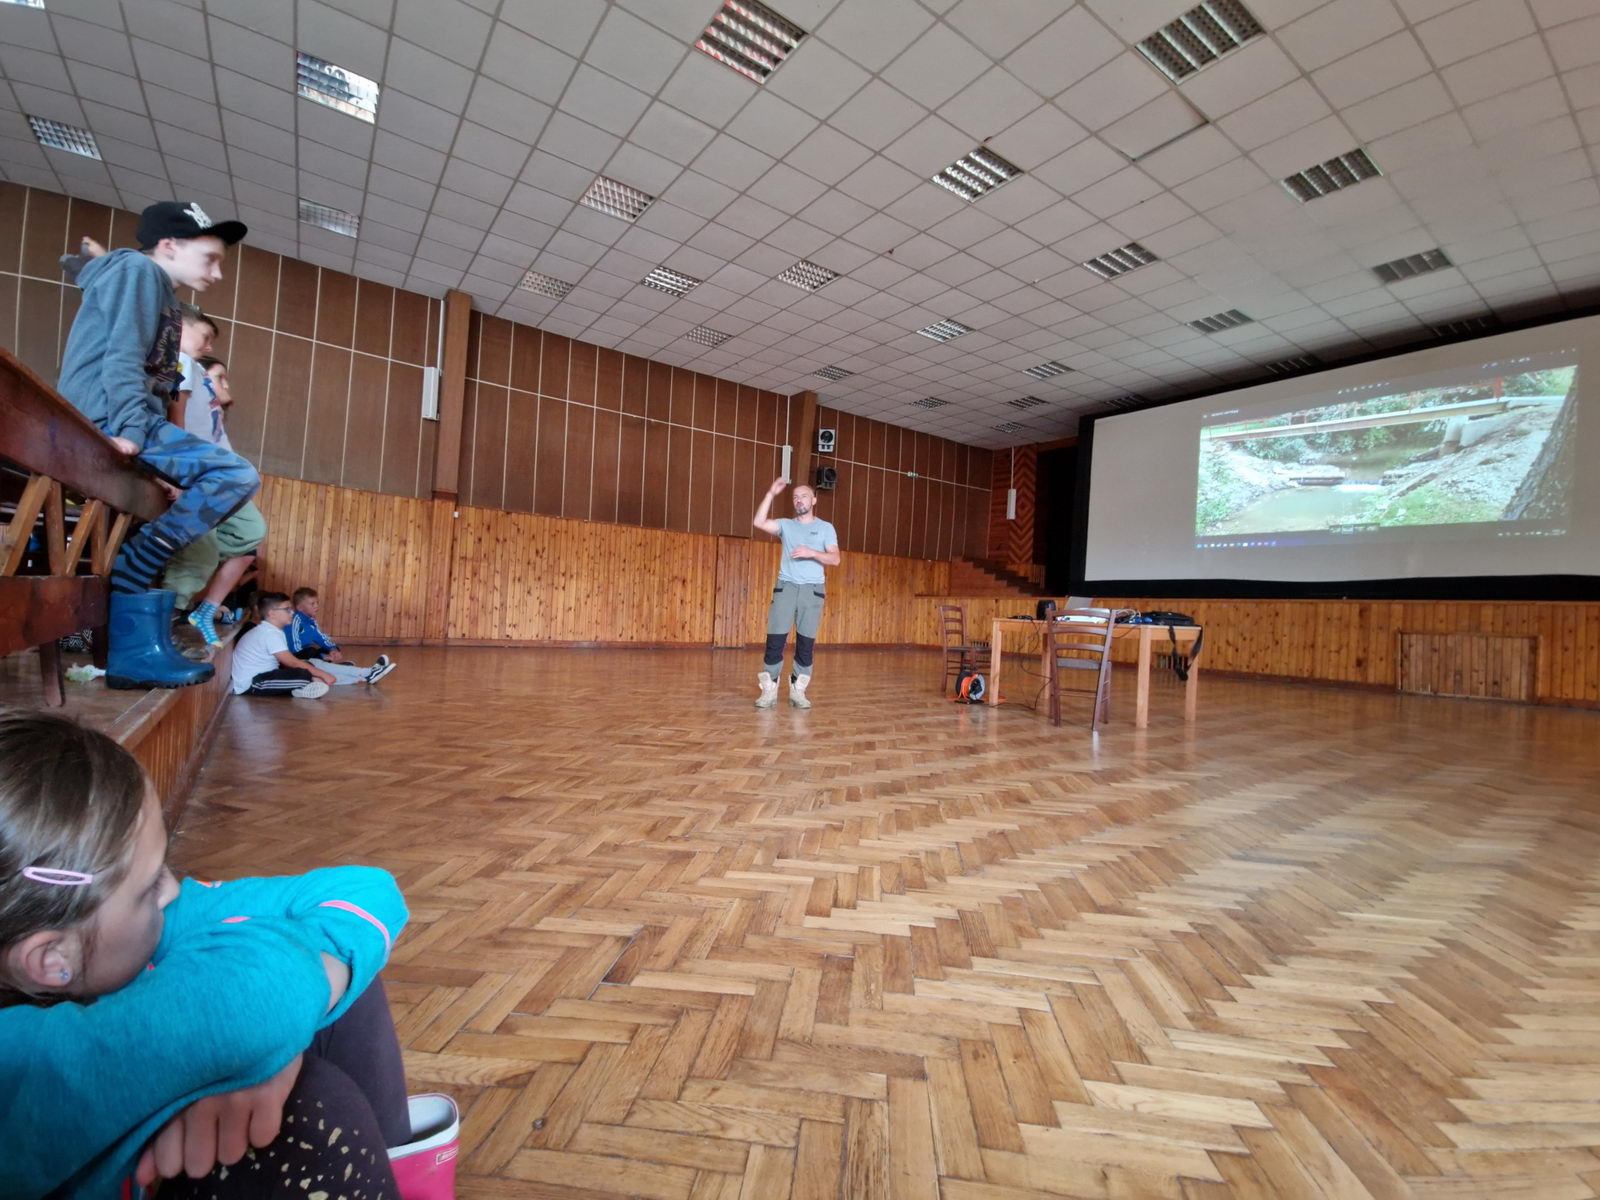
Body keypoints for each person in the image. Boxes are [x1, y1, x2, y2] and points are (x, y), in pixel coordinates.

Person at [0, 710, 460, 1199]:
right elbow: (259, 1002)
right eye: (149, 886)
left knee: (343, 974)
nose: (172, 890)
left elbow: (367, 889)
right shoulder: (18, 1063)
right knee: (316, 1101)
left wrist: (277, 1038)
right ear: (51, 959)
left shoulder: (149, 922)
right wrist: (268, 1038)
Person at [56, 201, 260, 691]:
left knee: (227, 479)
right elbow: (122, 355)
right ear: (169, 246)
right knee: (236, 474)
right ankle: (134, 569)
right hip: (112, 415)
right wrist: (130, 429)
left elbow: (156, 378)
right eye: (210, 258)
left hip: (130, 415)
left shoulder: (154, 288)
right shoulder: (138, 271)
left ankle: (136, 646)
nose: (217, 272)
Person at [161, 353, 268, 646]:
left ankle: (205, 607)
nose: (226, 386)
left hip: (220, 482)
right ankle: (167, 617)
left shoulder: (213, 416)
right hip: (195, 480)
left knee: (250, 536)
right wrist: (173, 477)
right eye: (220, 378)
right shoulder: (187, 380)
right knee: (202, 552)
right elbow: (174, 428)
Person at [751, 477, 840, 709]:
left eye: (804, 496)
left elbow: (835, 559)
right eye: (795, 497)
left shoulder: (826, 528)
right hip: (786, 587)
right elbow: (758, 521)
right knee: (775, 640)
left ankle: (798, 690)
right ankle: (769, 689)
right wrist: (771, 493)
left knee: (805, 643)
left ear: (814, 500)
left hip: (812, 591)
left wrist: (812, 552)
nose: (799, 500)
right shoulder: (786, 525)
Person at [231, 593, 338, 699]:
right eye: (287, 609)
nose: (292, 612)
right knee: (303, 675)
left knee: (307, 666)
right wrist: (323, 674)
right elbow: (292, 662)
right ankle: (304, 686)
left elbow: (287, 662)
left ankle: (299, 689)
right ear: (272, 613)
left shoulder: (273, 630)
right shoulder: (269, 633)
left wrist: (314, 673)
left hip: (265, 675)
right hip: (252, 683)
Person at [288, 588, 397, 686]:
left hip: (305, 657)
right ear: (300, 608)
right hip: (297, 658)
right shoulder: (295, 621)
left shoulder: (311, 621)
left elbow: (321, 637)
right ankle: (367, 673)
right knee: (314, 655)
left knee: (323, 651)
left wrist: (333, 649)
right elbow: (295, 651)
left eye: (317, 602)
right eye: (312, 603)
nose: (316, 606)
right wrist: (320, 656)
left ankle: (361, 673)